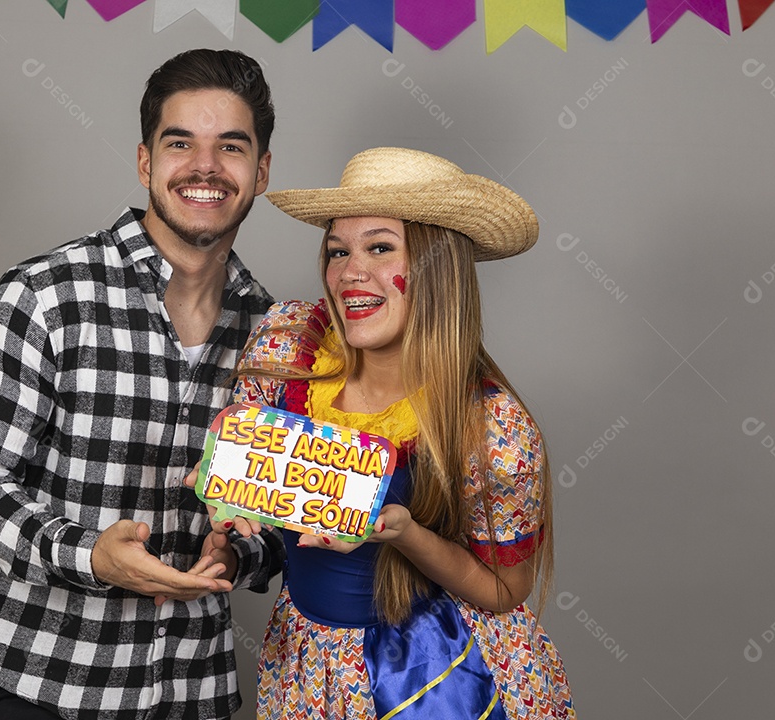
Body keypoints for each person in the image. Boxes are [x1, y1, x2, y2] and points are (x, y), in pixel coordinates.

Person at [0, 49, 284, 720]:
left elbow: (281, 517)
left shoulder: (275, 336)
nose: (205, 167)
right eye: (180, 142)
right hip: (50, 688)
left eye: (230, 147)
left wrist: (240, 553)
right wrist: (88, 554)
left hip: (196, 693)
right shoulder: (41, 297)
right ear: (146, 161)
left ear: (260, 171)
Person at [216, 147, 575, 717]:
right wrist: (231, 494)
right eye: (338, 251)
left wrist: (404, 533)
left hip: (438, 672)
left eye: (380, 247)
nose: (349, 273)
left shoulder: (492, 429)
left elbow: (505, 591)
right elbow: (257, 477)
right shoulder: (288, 353)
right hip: (307, 664)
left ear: (438, 268)